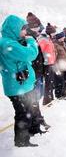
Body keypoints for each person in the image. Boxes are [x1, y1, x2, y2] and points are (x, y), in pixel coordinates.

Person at [0, 15, 40, 147]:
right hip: (17, 86)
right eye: (23, 29)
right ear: (14, 29)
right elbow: (31, 54)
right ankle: (21, 142)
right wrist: (31, 41)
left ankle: (27, 135)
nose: (25, 32)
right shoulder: (8, 43)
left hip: (20, 85)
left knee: (26, 111)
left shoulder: (11, 41)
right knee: (23, 114)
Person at [38, 23, 57, 106]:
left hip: (51, 62)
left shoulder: (49, 39)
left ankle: (50, 97)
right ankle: (47, 101)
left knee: (51, 81)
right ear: (49, 32)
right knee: (48, 82)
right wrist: (45, 62)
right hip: (46, 64)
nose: (54, 34)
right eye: (53, 33)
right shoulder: (43, 39)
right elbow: (41, 53)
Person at [53, 31, 66, 100]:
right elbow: (55, 57)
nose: (64, 38)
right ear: (59, 38)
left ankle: (63, 93)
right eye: (62, 37)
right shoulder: (55, 45)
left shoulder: (63, 44)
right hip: (59, 65)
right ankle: (58, 95)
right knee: (59, 80)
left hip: (64, 64)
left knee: (65, 79)